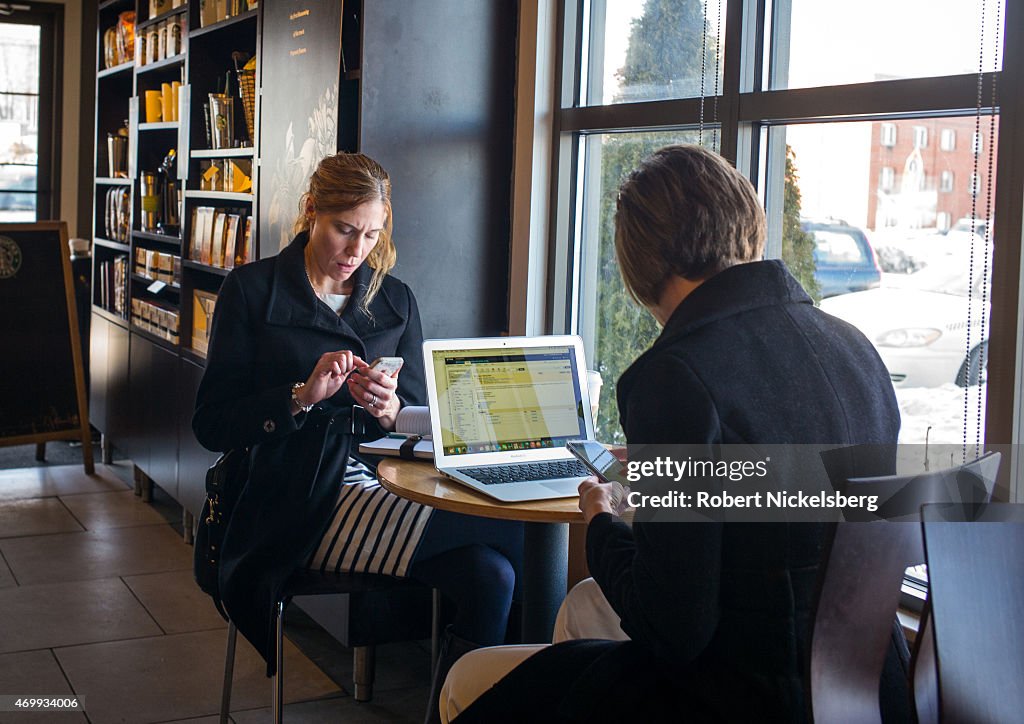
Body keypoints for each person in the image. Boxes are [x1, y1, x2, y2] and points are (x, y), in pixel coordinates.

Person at [439, 144, 902, 722]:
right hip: (868, 688)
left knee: (470, 679)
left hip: (741, 696)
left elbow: (674, 626)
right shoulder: (855, 348)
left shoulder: (674, 376)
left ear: (642, 259)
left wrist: (602, 518)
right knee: (584, 608)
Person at [192, 152, 520, 721]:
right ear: (312, 211)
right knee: (510, 527)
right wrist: (301, 396)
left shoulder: (396, 299)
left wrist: (393, 411)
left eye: (371, 234)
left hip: (380, 484)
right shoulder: (251, 291)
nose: (357, 250)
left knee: (493, 576)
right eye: (345, 230)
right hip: (290, 500)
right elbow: (211, 424)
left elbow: (417, 414)